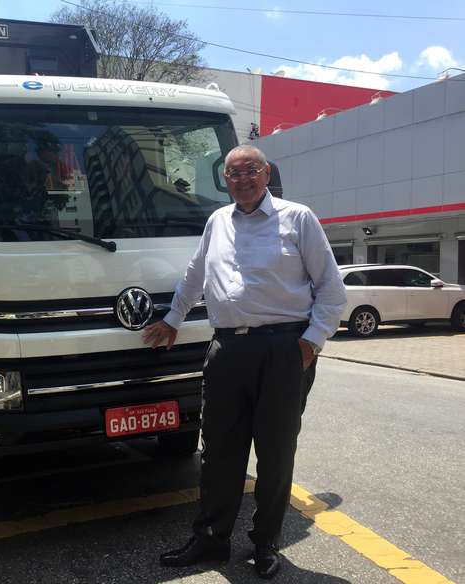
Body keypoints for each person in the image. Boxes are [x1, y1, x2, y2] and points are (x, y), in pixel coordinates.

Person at [143, 145, 346, 579]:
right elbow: (195, 273)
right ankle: (211, 538)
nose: (242, 179)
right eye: (233, 174)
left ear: (267, 173)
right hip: (227, 351)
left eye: (250, 170)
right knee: (218, 451)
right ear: (226, 181)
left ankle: (266, 543)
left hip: (283, 350)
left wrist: (310, 344)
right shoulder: (217, 221)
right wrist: (173, 319)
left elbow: (331, 288)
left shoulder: (298, 217)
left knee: (275, 452)